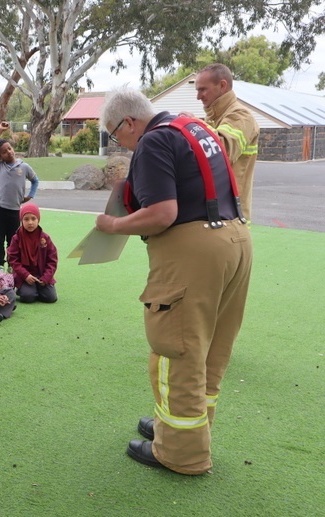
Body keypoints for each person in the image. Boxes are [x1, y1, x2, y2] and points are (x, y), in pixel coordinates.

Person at [95, 86, 252, 475]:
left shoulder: (152, 142)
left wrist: (113, 224)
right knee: (211, 350)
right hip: (236, 241)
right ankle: (184, 430)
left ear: (129, 122)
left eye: (117, 135)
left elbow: (163, 212)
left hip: (193, 253)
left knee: (176, 351)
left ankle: (181, 453)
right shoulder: (194, 127)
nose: (122, 144)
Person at [194, 63, 260, 221]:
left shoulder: (241, 116)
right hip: (215, 210)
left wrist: (194, 126)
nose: (198, 96)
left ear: (222, 85)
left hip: (231, 216)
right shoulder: (212, 117)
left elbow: (220, 152)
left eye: (203, 89)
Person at [0, 121, 39, 268]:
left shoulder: (24, 167)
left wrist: (30, 196)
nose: (8, 152)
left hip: (15, 209)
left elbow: (35, 181)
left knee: (13, 239)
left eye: (9, 148)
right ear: (0, 157)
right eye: (4, 152)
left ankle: (12, 263)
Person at [6, 202, 58, 303]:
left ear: (38, 220)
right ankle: (27, 289)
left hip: (42, 274)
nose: (30, 222)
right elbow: (13, 259)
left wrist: (46, 277)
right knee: (28, 297)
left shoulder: (45, 238)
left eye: (33, 219)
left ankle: (38, 288)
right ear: (21, 220)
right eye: (26, 219)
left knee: (50, 298)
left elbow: (52, 259)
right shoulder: (16, 238)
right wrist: (26, 275)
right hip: (24, 276)